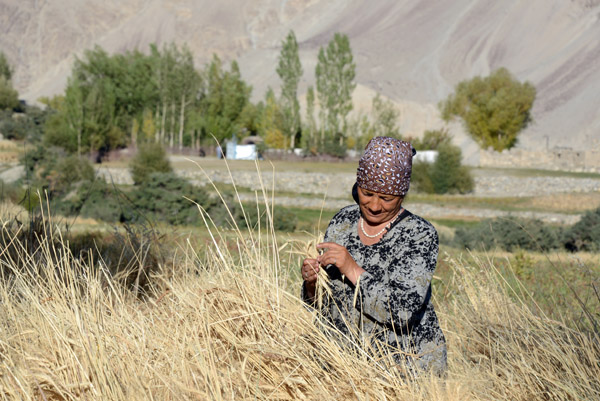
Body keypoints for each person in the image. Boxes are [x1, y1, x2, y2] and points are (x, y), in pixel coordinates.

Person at [301, 136, 447, 375]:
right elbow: (322, 305)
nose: (375, 205)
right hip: (341, 366)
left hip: (402, 370)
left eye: (386, 198)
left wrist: (352, 269)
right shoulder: (343, 221)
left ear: (402, 195)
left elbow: (402, 312)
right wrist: (312, 284)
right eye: (367, 193)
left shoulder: (419, 235)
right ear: (357, 186)